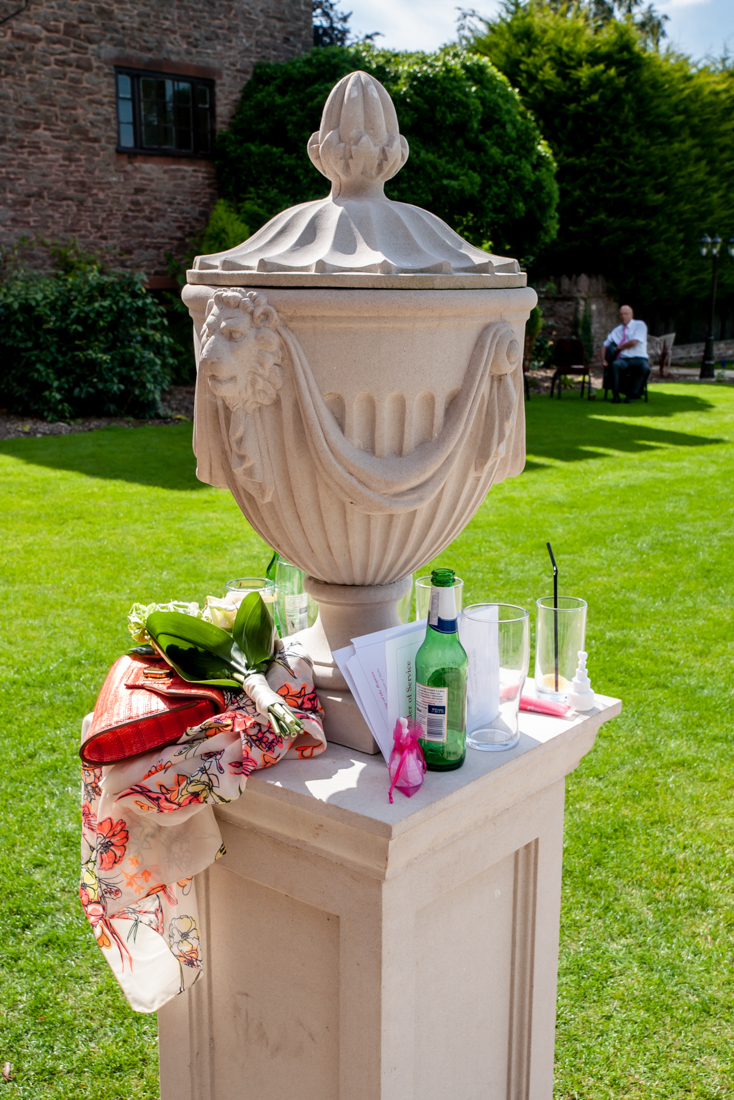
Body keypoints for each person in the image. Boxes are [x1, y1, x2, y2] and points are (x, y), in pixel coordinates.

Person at [602, 305, 650, 404]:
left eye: (625, 314)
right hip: (624, 359)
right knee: (614, 365)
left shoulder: (640, 325)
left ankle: (631, 395)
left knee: (645, 368)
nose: (623, 316)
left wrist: (618, 348)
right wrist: (604, 360)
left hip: (639, 358)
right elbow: (604, 345)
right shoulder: (617, 330)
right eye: (620, 314)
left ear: (631, 315)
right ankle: (616, 396)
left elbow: (633, 342)